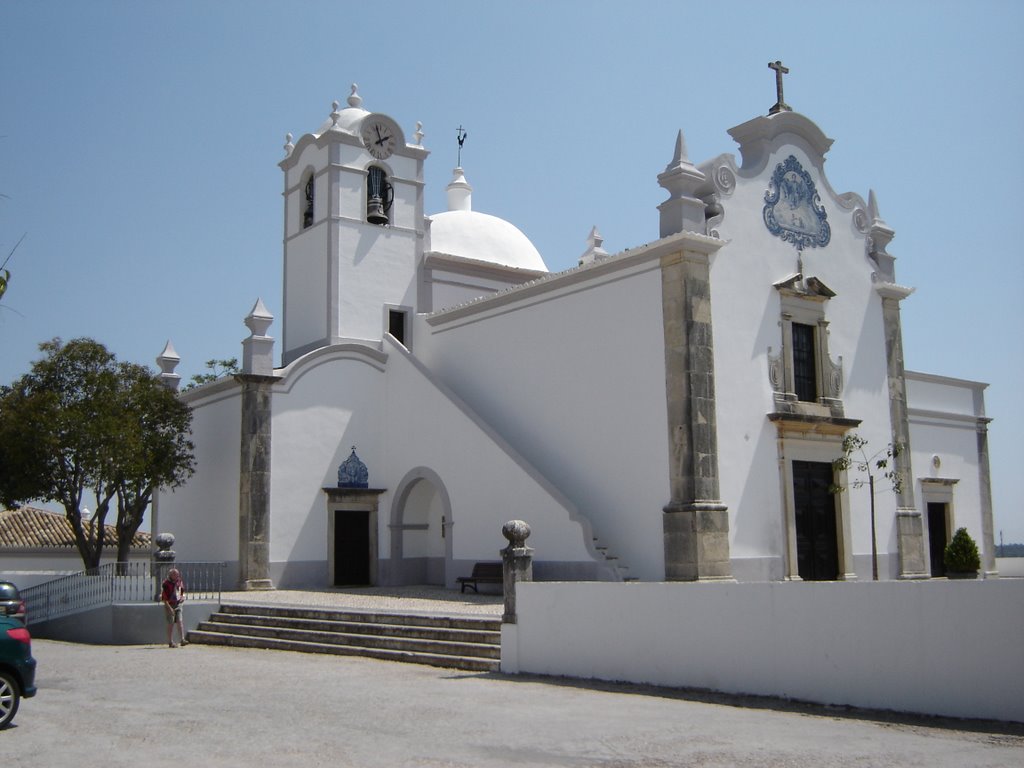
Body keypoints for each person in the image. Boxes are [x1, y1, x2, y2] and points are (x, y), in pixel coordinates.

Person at [160, 568, 188, 648]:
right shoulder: (166, 584)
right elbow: (164, 598)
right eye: (175, 574)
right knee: (171, 623)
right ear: (171, 575)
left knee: (180, 621)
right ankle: (170, 641)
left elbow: (182, 591)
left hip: (178, 603)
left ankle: (182, 639)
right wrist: (169, 608)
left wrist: (182, 597)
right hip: (170, 604)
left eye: (177, 574)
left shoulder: (179, 581)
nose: (177, 576)